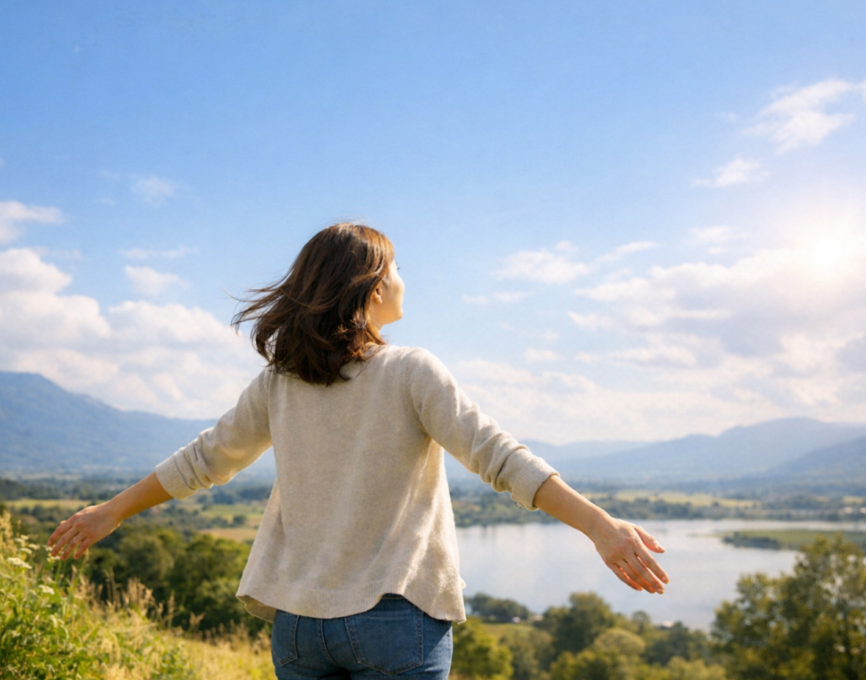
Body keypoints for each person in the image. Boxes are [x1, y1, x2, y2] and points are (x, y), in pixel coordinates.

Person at [48, 223, 669, 680]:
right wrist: (600, 525)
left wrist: (111, 512)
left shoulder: (279, 383)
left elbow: (204, 460)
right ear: (371, 291)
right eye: (395, 268)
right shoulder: (410, 370)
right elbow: (498, 457)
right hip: (394, 619)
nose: (403, 280)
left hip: (297, 626)